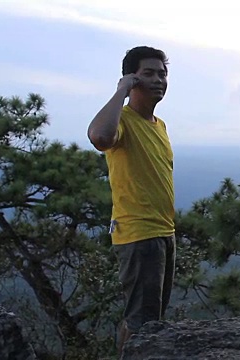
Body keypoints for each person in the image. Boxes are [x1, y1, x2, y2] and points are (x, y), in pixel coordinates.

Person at [87, 46, 176, 354]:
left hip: (163, 233)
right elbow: (100, 137)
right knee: (143, 323)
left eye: (162, 74)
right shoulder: (123, 120)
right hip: (139, 235)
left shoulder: (159, 125)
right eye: (148, 73)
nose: (158, 80)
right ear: (132, 78)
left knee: (150, 318)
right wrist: (121, 91)